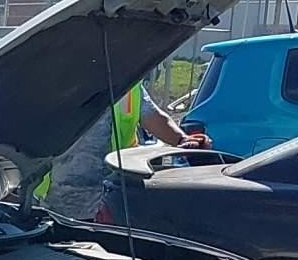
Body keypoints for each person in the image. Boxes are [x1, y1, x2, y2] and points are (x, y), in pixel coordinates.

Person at [40, 83, 206, 220]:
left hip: (113, 199)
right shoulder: (58, 80)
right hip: (59, 202)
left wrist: (182, 140)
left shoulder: (130, 84)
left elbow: (153, 117)